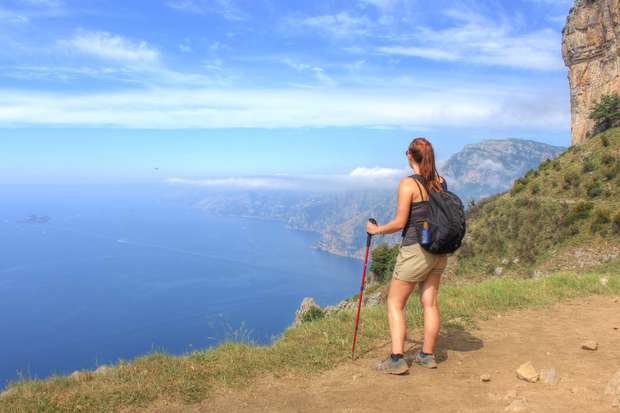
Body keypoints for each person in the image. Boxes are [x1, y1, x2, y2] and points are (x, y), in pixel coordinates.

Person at [366, 137, 448, 375]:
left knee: (394, 302)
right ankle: (427, 355)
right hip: (439, 250)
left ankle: (397, 359)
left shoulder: (408, 185)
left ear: (411, 156)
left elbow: (400, 222)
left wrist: (377, 230)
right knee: (430, 302)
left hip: (415, 250)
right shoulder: (440, 182)